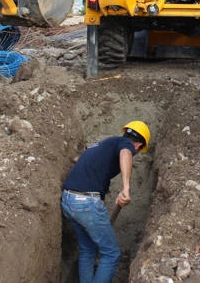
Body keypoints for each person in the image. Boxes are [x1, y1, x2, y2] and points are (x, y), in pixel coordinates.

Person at [61, 120, 151, 283]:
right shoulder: (125, 144)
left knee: (88, 250)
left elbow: (90, 167)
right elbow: (126, 153)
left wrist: (100, 199)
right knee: (111, 254)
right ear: (138, 145)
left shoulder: (104, 145)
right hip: (85, 203)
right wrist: (126, 189)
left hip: (68, 201)